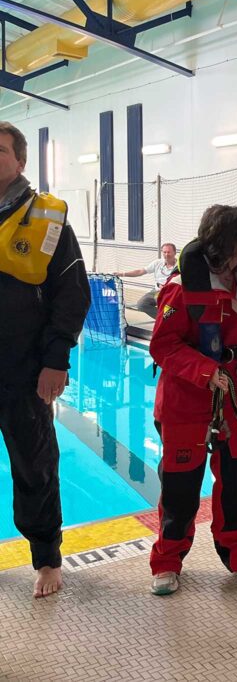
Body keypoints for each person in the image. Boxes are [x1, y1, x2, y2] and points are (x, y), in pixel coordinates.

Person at [148, 205, 237, 596]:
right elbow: (162, 345)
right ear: (230, 241)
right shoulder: (181, 287)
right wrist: (205, 371)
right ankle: (167, 559)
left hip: (234, 395)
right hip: (187, 400)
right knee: (181, 487)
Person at [0, 121, 89, 598]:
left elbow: (71, 295)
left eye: (0, 151)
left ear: (20, 161)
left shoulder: (48, 222)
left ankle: (47, 558)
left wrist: (57, 359)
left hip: (25, 367)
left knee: (34, 464)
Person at [114, 242, 177, 318]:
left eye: (169, 252)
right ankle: (165, 319)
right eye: (164, 252)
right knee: (141, 304)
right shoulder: (157, 263)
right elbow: (140, 271)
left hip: (172, 292)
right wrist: (122, 274)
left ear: (174, 252)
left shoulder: (179, 266)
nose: (166, 254)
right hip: (157, 291)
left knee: (164, 302)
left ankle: (168, 319)